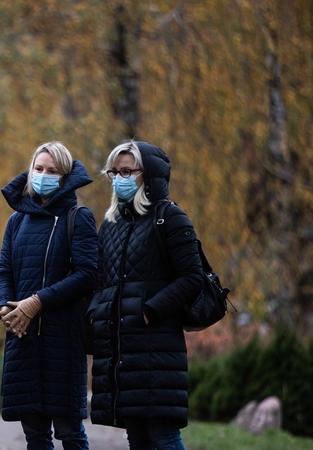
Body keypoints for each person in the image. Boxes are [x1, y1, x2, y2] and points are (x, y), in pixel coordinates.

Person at [87, 141, 205, 450]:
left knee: (163, 435)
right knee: (137, 436)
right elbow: (101, 282)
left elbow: (192, 278)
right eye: (114, 172)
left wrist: (150, 310)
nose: (119, 179)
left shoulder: (171, 218)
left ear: (148, 175)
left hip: (156, 347)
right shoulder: (111, 224)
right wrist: (97, 317)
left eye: (127, 171)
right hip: (119, 349)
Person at [0, 141, 99, 449]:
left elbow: (87, 275)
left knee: (70, 433)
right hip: (22, 341)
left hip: (62, 342)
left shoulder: (78, 217)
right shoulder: (16, 221)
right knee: (35, 436)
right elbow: (5, 273)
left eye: (52, 171)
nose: (43, 175)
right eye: (38, 169)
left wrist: (37, 302)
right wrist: (4, 307)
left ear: (65, 177)